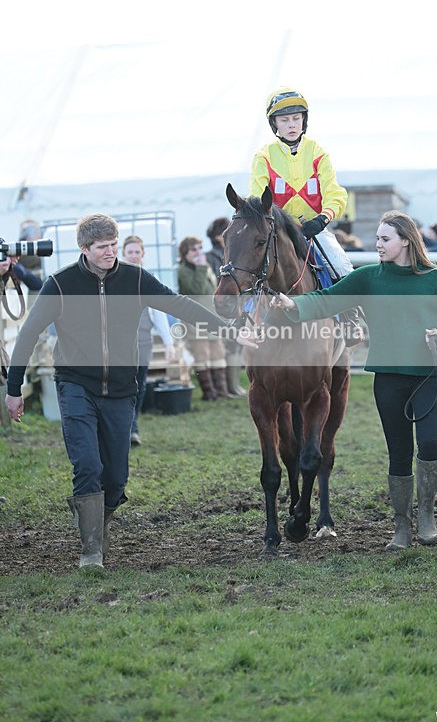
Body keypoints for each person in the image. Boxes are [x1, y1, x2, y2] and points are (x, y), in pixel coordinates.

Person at [5, 213, 258, 569]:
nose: (110, 253)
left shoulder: (135, 278)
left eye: (113, 245)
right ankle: (91, 550)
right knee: (88, 465)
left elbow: (179, 305)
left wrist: (228, 329)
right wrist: (14, 388)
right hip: (76, 385)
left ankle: (97, 523)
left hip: (122, 389)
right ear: (84, 249)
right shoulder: (60, 284)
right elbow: (29, 333)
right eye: (102, 247)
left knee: (116, 477)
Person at [271, 211, 437, 552]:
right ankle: (401, 527)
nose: (378, 244)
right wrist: (291, 302)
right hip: (388, 380)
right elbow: (324, 300)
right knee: (398, 453)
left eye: (385, 239)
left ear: (406, 241)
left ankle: (426, 515)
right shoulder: (368, 278)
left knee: (428, 446)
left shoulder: (435, 278)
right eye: (378, 239)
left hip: (429, 376)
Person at [249, 87, 353, 279]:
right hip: (278, 233)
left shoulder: (318, 153)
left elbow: (335, 195)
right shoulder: (263, 157)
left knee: (344, 270)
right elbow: (257, 199)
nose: (291, 125)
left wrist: (322, 219)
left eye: (296, 118)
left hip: (315, 232)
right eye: (285, 120)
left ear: (304, 120)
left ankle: (351, 309)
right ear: (274, 123)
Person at [122, 235, 176, 446]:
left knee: (139, 385)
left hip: (143, 341)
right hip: (119, 344)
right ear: (123, 254)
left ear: (142, 254)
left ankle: (132, 427)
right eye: (130, 252)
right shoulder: (113, 278)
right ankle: (120, 428)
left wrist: (168, 342)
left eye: (137, 252)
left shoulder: (148, 278)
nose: (134, 256)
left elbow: (159, 313)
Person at [177, 235, 235, 401]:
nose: (198, 252)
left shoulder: (206, 267)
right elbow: (197, 289)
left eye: (199, 248)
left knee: (218, 354)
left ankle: (222, 391)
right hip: (195, 322)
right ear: (185, 253)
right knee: (202, 356)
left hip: (212, 318)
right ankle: (209, 393)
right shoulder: (183, 271)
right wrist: (201, 268)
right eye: (193, 249)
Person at [205, 217, 246, 397]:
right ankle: (229, 386)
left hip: (236, 304)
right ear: (216, 237)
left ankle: (235, 384)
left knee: (236, 346)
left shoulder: (232, 254)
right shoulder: (211, 257)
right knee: (229, 345)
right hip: (223, 305)